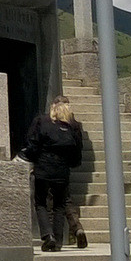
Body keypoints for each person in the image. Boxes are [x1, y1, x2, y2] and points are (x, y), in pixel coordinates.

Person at [22, 95, 87, 251]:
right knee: (60, 205)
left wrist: (31, 158)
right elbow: (77, 152)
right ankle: (57, 241)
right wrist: (71, 164)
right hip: (62, 171)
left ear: (52, 108)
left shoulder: (42, 122)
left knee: (41, 203)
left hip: (43, 168)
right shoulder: (73, 127)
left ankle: (47, 235)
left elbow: (32, 144)